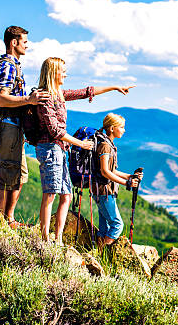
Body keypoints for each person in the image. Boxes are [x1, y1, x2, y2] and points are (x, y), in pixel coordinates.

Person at [35, 57, 135, 245]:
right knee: (50, 193)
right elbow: (55, 130)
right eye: (62, 71)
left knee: (66, 195)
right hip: (49, 148)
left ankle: (57, 239)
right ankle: (45, 238)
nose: (65, 74)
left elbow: (86, 92)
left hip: (59, 150)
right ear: (52, 72)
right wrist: (80, 144)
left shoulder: (59, 95)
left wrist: (114, 87)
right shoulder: (45, 97)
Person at [0, 25, 49, 228]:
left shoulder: (15, 65)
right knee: (6, 172)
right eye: (24, 41)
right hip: (7, 125)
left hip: (15, 127)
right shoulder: (7, 65)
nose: (27, 45)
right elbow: (2, 98)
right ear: (13, 42)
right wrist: (29, 99)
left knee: (19, 174)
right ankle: (0, 219)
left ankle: (8, 218)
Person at [93, 113, 143, 245]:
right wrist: (127, 183)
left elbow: (112, 170)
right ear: (111, 128)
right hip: (104, 191)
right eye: (121, 127)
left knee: (104, 228)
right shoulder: (105, 146)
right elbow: (104, 171)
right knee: (117, 225)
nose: (124, 130)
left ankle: (98, 253)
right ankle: (101, 252)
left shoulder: (108, 145)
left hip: (103, 191)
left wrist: (130, 176)